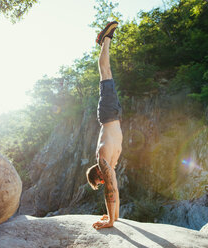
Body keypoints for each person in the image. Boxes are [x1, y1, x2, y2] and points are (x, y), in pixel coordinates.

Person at [86, 21, 123, 230]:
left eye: (98, 181)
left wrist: (108, 222)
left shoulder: (102, 160)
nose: (102, 183)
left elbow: (109, 188)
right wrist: (114, 217)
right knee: (106, 73)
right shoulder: (111, 164)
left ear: (97, 173)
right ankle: (104, 40)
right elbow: (114, 189)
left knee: (104, 70)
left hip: (108, 115)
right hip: (115, 115)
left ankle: (105, 39)